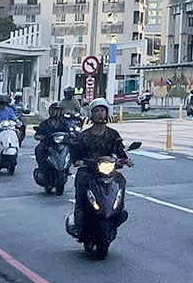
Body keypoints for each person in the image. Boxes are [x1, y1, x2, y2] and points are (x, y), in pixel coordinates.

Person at [68, 98, 128, 232]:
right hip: (89, 170)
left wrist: (125, 160)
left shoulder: (112, 134)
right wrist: (78, 161)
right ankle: (79, 215)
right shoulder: (84, 136)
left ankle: (118, 209)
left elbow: (120, 150)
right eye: (97, 111)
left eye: (102, 110)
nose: (100, 114)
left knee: (120, 180)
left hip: (107, 169)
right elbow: (76, 153)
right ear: (91, 114)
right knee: (82, 180)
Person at [34, 101, 72, 169]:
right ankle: (42, 168)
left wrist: (71, 134)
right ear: (51, 111)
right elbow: (37, 135)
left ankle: (68, 167)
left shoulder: (64, 123)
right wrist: (42, 137)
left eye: (58, 110)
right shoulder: (44, 123)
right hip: (48, 145)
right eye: (55, 110)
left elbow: (69, 132)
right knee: (39, 148)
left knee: (73, 147)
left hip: (62, 145)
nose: (56, 112)